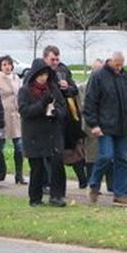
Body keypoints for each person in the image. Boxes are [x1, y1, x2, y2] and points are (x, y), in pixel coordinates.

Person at [84, 51, 127, 207]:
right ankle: (94, 184)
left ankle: (121, 194)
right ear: (110, 62)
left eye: (122, 65)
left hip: (122, 127)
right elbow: (90, 101)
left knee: (122, 159)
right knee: (106, 156)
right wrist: (93, 124)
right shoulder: (98, 76)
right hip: (104, 126)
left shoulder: (125, 77)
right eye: (117, 65)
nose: (119, 68)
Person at [18, 59, 68, 207]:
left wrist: (56, 112)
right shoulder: (25, 91)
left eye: (45, 75)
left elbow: (63, 108)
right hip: (34, 134)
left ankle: (57, 196)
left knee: (57, 164)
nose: (43, 78)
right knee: (37, 168)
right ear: (34, 75)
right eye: (40, 75)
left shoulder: (52, 89)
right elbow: (24, 111)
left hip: (52, 132)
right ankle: (35, 198)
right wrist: (42, 104)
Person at [43, 45, 88, 189]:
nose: (55, 62)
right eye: (52, 59)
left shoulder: (63, 70)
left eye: (57, 59)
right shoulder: (41, 72)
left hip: (68, 117)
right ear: (45, 59)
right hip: (50, 117)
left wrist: (66, 87)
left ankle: (82, 179)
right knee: (52, 153)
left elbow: (74, 89)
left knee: (74, 148)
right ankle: (50, 183)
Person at [0, 56, 27, 185]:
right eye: (4, 65)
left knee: (19, 147)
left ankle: (19, 174)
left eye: (9, 64)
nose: (7, 67)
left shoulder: (17, 78)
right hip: (2, 116)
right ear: (0, 66)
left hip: (16, 116)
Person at [79, 59, 113, 193]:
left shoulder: (108, 84)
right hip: (90, 124)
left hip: (107, 124)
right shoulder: (83, 87)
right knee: (92, 155)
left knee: (109, 154)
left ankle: (112, 184)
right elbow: (83, 106)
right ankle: (93, 184)